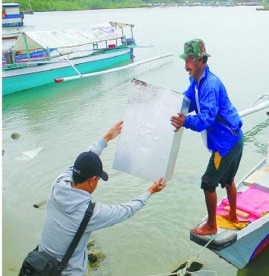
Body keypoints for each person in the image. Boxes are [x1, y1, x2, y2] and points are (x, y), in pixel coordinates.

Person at [37, 121, 166, 275]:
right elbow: (126, 210)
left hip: (40, 266)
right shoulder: (89, 214)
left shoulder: (58, 183)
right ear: (92, 180)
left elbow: (84, 158)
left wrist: (106, 137)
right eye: (98, 179)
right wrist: (150, 191)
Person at [170, 39, 244, 236]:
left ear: (201, 60)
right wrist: (169, 107)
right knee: (228, 180)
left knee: (208, 183)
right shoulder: (196, 82)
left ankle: (212, 226)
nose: (186, 65)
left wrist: (184, 121)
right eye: (185, 60)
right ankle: (233, 217)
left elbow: (206, 119)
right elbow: (187, 101)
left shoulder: (210, 85)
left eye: (191, 60)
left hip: (226, 143)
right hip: (235, 137)